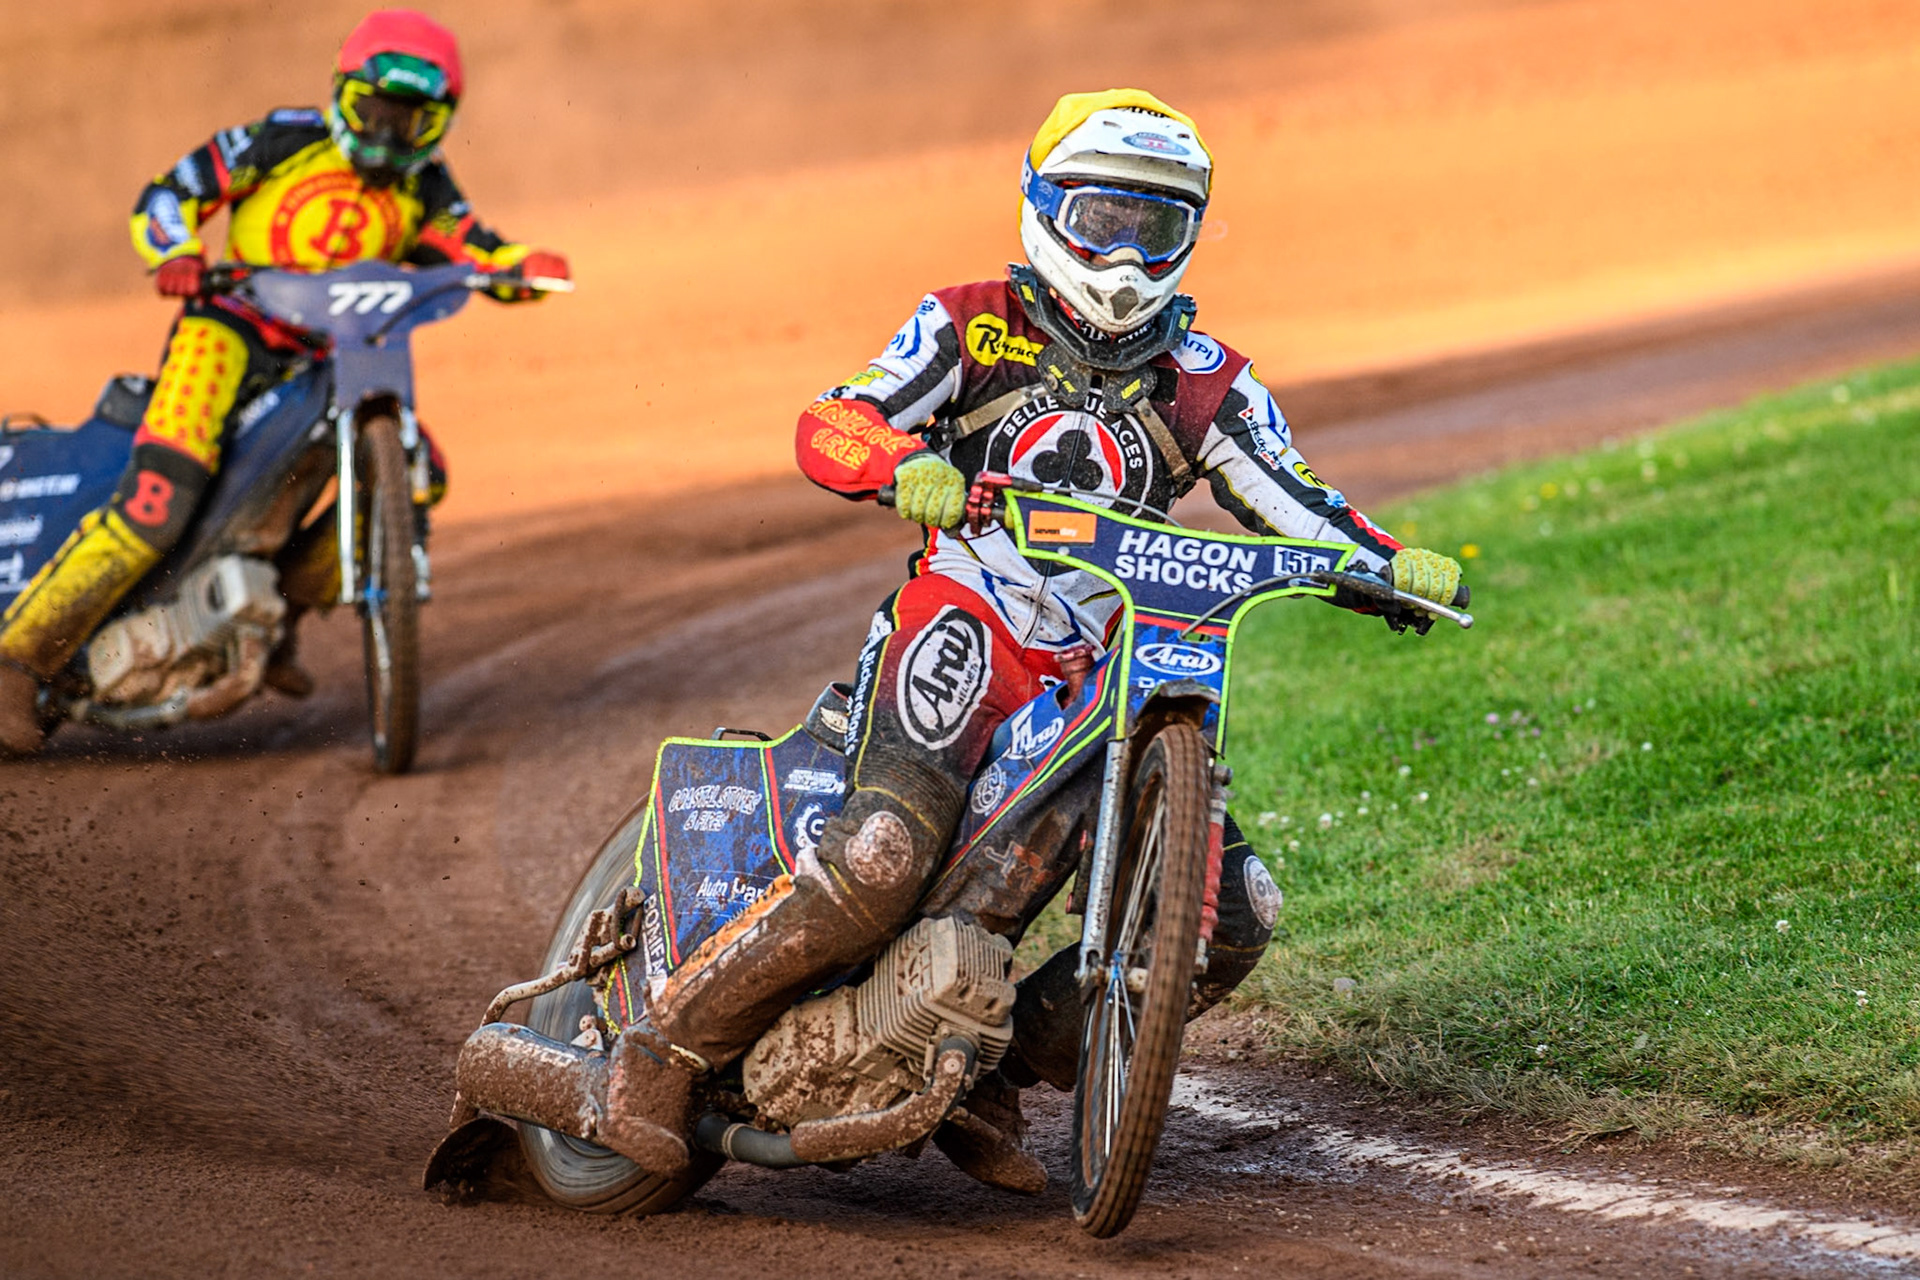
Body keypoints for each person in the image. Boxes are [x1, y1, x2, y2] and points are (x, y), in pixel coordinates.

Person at [614, 89, 1466, 1192]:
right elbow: (834, 415)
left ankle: (993, 1079)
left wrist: (1388, 562)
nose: (1122, 254)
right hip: (966, 618)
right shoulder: (967, 322)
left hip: (1112, 662)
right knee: (880, 855)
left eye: (1151, 227)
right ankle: (656, 1051)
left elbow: (1299, 499)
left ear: (1189, 235)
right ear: (1042, 208)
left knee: (1233, 913)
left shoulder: (1209, 377)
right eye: (1100, 218)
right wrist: (896, 461)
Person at [0, 8, 569, 754]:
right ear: (344, 92)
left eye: (413, 122)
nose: (390, 135)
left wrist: (524, 267)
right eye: (377, 112)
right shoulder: (280, 141)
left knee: (420, 471)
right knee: (158, 498)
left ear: (438, 125)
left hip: (338, 356)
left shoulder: (425, 188)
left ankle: (281, 616)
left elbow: (476, 246)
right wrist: (172, 252)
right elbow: (170, 194)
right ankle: (17, 662)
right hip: (227, 330)